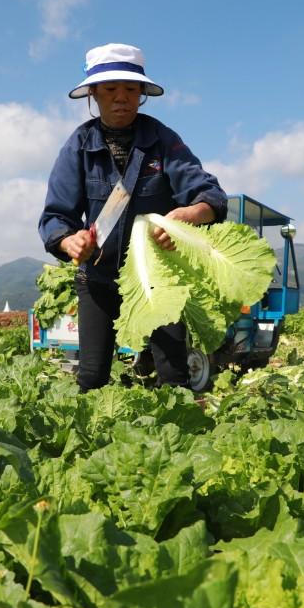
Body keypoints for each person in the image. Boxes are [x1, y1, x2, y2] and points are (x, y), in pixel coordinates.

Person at [38, 43, 227, 392]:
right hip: (99, 277)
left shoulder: (163, 141)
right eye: (110, 90)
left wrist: (189, 216)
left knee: (174, 377)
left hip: (158, 278)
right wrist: (69, 240)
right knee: (91, 378)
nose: (121, 98)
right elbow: (56, 215)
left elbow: (209, 195)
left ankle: (178, 439)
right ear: (93, 94)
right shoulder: (79, 145)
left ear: (142, 93)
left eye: (130, 89)